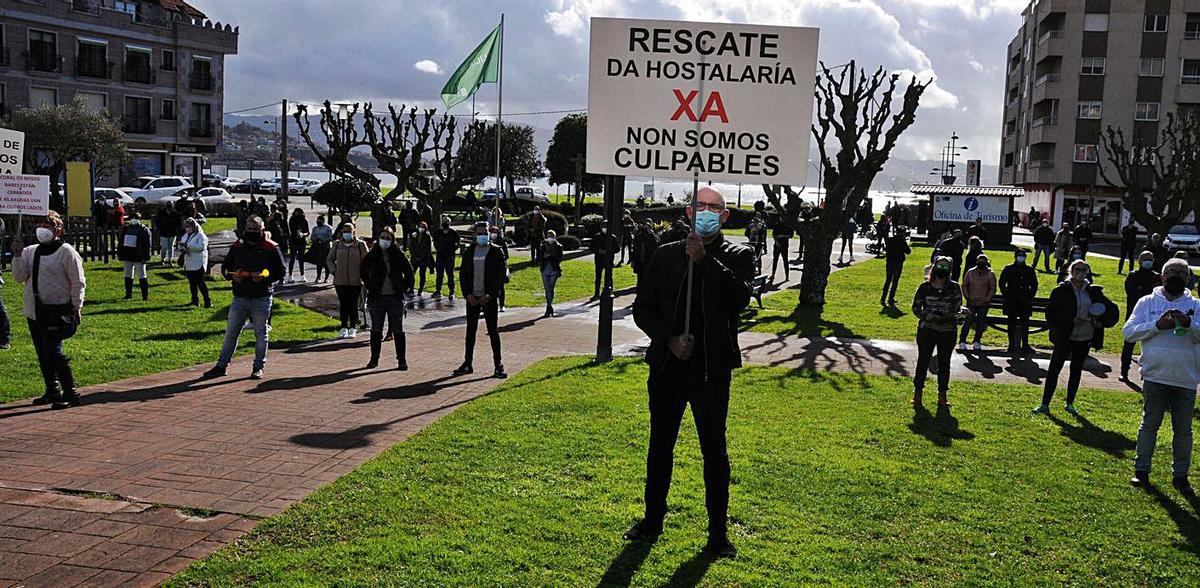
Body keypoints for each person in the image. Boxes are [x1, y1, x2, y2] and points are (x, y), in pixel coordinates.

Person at [625, 187, 753, 558]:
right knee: (660, 445)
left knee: (714, 450)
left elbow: (739, 299)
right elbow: (642, 309)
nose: (708, 212)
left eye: (715, 208)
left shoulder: (738, 254)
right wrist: (667, 340)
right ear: (688, 211)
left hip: (712, 372)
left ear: (725, 217)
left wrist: (705, 261)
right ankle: (652, 520)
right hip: (667, 368)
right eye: (701, 206)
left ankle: (717, 534)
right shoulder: (665, 255)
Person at [1124, 258, 1200, 495]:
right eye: (1171, 272)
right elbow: (1128, 333)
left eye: (1181, 273)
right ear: (1162, 277)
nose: (1176, 276)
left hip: (1185, 378)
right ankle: (1141, 471)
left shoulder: (1196, 305)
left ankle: (1180, 476)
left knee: (1183, 431)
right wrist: (1156, 325)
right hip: (1155, 375)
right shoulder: (1147, 302)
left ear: (1188, 279)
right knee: (1149, 425)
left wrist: (1189, 324)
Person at [12, 211, 86, 408]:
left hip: (58, 311)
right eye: (39, 225)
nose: (42, 230)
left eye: (48, 226)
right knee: (42, 353)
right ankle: (52, 390)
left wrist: (76, 305)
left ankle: (70, 392)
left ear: (58, 229)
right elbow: (19, 277)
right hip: (35, 311)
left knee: (53, 351)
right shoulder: (30, 251)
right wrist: (17, 255)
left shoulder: (66, 251)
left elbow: (77, 281)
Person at [204, 215, 285, 380]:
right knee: (231, 333)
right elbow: (226, 267)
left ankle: (258, 367)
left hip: (261, 297)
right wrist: (232, 276)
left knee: (261, 334)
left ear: (262, 230)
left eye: (256, 230)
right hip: (240, 296)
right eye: (250, 229)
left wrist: (264, 278)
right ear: (245, 229)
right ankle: (221, 365)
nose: (253, 232)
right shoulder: (238, 246)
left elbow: (280, 271)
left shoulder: (271, 247)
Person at [1034, 259, 1119, 415]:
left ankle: (1070, 404)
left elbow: (1111, 311)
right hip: (1065, 336)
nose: (1081, 273)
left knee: (1076, 370)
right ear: (1071, 272)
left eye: (1084, 270)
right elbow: (1050, 315)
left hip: (1085, 336)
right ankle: (1045, 404)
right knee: (1054, 370)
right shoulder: (1061, 290)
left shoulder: (1093, 291)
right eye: (1077, 269)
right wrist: (1070, 320)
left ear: (1088, 273)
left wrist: (1101, 323)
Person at [454, 221, 507, 378]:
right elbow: (463, 274)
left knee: (493, 332)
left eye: (485, 233)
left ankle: (498, 365)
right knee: (470, 331)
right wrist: (468, 294)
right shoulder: (470, 251)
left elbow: (500, 276)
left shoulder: (496, 251)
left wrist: (489, 295)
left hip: (488, 298)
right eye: (479, 233)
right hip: (473, 297)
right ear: (475, 235)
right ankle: (467, 363)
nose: (482, 235)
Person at [912, 256, 963, 407]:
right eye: (940, 266)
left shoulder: (954, 287)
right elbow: (916, 308)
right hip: (927, 330)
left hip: (947, 332)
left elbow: (957, 307)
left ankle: (942, 396)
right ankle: (917, 394)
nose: (942, 269)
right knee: (923, 361)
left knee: (944, 364)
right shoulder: (925, 287)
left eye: (945, 267)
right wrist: (929, 317)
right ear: (934, 267)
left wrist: (959, 314)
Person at [361, 226, 414, 370]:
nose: (384, 240)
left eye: (388, 238)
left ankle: (401, 360)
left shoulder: (398, 255)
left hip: (394, 298)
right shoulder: (372, 255)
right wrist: (371, 285)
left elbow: (409, 273)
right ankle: (374, 359)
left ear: (392, 240)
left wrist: (403, 288)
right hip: (377, 298)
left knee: (397, 329)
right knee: (376, 329)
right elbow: (363, 271)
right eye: (382, 237)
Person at [1120, 251, 1160, 379]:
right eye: (1145, 259)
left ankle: (1147, 372)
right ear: (1139, 261)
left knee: (1151, 344)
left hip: (1153, 315)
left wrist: (1142, 289)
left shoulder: (1157, 277)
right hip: (1134, 313)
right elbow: (1132, 293)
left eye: (1150, 259)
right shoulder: (1133, 276)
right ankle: (1124, 371)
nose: (1148, 262)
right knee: (1129, 343)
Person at [327, 222, 369, 338]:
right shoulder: (337, 244)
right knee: (344, 304)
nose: (347, 233)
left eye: (349, 231)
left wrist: (362, 274)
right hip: (340, 280)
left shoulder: (360, 245)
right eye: (344, 231)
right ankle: (344, 326)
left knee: (353, 304)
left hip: (356, 280)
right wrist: (334, 271)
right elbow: (330, 259)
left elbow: (367, 261)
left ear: (353, 231)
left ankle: (353, 327)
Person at [999, 248, 1038, 354]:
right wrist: (1007, 295)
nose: (1022, 257)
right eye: (1020, 255)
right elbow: (1002, 283)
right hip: (1012, 300)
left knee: (1025, 323)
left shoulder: (1029, 270)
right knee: (1011, 323)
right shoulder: (1008, 269)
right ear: (1015, 256)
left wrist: (1030, 296)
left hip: (1025, 300)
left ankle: (1025, 344)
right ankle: (1011, 344)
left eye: (1023, 255)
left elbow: (1034, 285)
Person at [959, 253, 996, 351]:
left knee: (981, 323)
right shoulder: (970, 272)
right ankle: (962, 340)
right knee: (968, 322)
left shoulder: (990, 274)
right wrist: (967, 296)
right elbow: (964, 285)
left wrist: (987, 299)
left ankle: (977, 341)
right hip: (971, 302)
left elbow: (992, 288)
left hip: (983, 303)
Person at [118, 212, 152, 301]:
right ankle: (128, 294)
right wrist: (121, 254)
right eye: (132, 218)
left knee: (142, 275)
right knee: (128, 275)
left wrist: (146, 257)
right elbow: (121, 242)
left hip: (139, 256)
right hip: (128, 255)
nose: (133, 220)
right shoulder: (126, 229)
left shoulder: (144, 230)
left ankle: (145, 296)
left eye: (135, 218)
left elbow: (148, 245)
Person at [179, 217, 211, 308]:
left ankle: (207, 301)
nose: (187, 228)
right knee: (192, 283)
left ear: (194, 226)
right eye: (186, 227)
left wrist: (187, 245)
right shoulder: (185, 236)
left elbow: (200, 248)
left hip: (198, 262)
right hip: (189, 262)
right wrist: (182, 248)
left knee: (200, 283)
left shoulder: (201, 236)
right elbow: (181, 244)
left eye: (189, 226)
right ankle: (194, 301)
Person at [881, 226, 911, 306]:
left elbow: (886, 249)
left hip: (890, 261)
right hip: (898, 262)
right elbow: (908, 251)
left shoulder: (890, 240)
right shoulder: (902, 242)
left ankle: (883, 298)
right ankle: (891, 298)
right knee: (895, 281)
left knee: (888, 280)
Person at [540, 229, 564, 317]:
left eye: (551, 236)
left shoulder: (558, 246)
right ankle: (549, 306)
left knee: (551, 288)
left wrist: (552, 256)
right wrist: (544, 256)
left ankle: (549, 306)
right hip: (545, 269)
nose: (550, 238)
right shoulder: (543, 246)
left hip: (554, 270)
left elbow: (560, 258)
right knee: (547, 288)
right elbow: (539, 258)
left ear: (555, 237)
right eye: (548, 236)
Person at [433, 217, 460, 298]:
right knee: (439, 274)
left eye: (447, 221)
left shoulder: (453, 233)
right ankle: (438, 291)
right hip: (440, 256)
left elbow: (458, 243)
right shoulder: (438, 233)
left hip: (449, 256)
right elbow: (434, 242)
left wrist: (452, 250)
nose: (445, 223)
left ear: (449, 223)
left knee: (450, 274)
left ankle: (452, 291)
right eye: (444, 221)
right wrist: (438, 249)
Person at [591, 226, 617, 299]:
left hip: (608, 260)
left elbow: (617, 249)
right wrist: (598, 250)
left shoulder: (612, 237)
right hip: (599, 259)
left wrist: (609, 251)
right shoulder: (597, 237)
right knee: (598, 277)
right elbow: (591, 247)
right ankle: (597, 292)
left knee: (609, 276)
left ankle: (610, 290)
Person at [409, 221, 435, 295]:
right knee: (411, 273)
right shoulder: (415, 235)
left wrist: (421, 257)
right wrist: (415, 256)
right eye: (420, 226)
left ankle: (420, 289)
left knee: (422, 274)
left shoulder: (427, 236)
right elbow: (411, 247)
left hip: (423, 259)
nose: (421, 228)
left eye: (423, 227)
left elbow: (428, 249)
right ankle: (411, 288)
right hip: (415, 258)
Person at [285, 208, 309, 284]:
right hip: (294, 240)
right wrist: (296, 235)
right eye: (296, 212)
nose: (297, 214)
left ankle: (302, 275)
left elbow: (307, 232)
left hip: (302, 241)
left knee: (301, 258)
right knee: (292, 257)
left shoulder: (304, 220)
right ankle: (290, 275)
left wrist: (303, 234)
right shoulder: (292, 220)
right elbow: (291, 230)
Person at [490, 224, 511, 311]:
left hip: (499, 268)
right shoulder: (488, 241)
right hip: (490, 268)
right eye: (492, 232)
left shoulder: (502, 242)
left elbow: (506, 255)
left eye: (495, 232)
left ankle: (502, 304)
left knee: (500, 287)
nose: (493, 234)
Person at [310, 214, 334, 284]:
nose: (318, 222)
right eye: (317, 221)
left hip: (326, 247)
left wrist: (323, 239)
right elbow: (312, 237)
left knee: (326, 263)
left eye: (320, 221)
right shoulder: (315, 228)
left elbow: (331, 237)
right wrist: (315, 239)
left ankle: (326, 278)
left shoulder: (328, 228)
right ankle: (318, 277)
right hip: (318, 246)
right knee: (319, 262)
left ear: (323, 221)